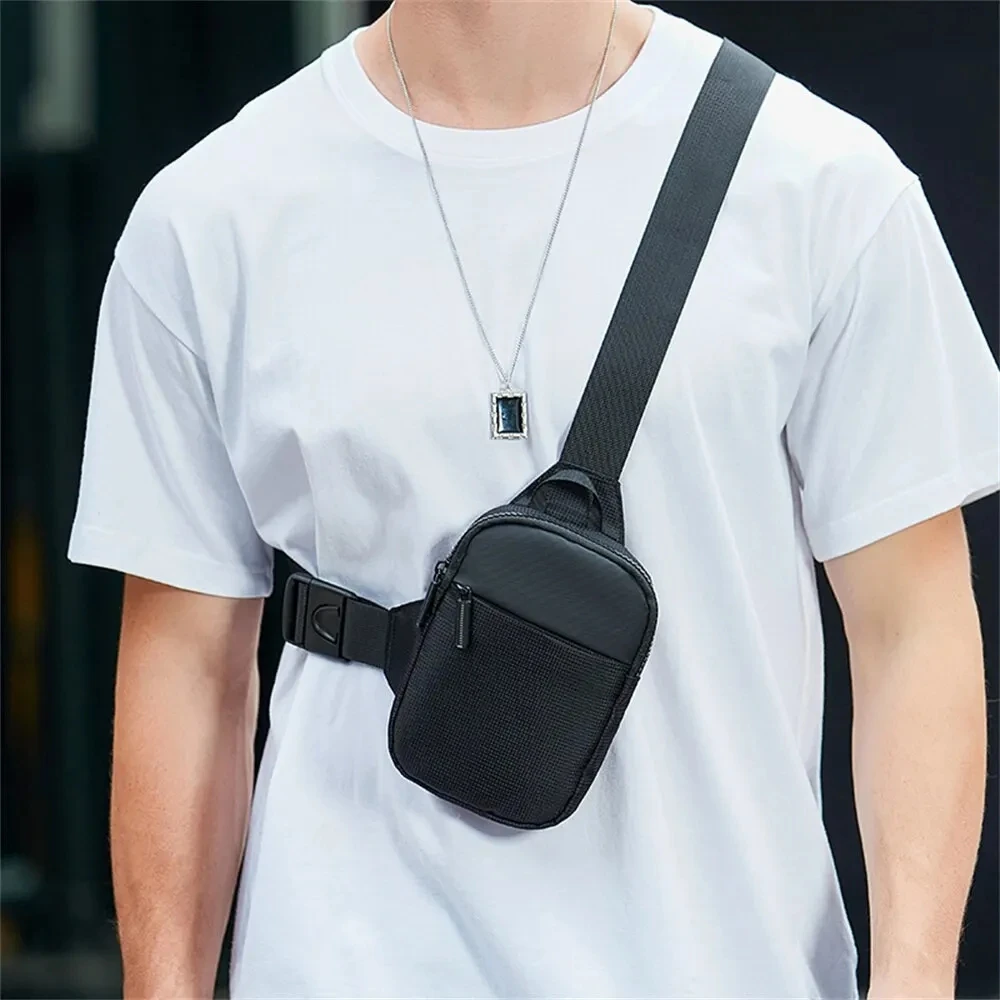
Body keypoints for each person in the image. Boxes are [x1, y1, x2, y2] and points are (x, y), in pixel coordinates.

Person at [68, 1, 999, 997]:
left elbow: (911, 629)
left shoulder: (820, 186)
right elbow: (187, 662)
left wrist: (913, 982)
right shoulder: (209, 219)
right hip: (345, 959)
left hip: (717, 963)